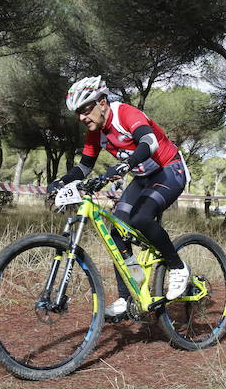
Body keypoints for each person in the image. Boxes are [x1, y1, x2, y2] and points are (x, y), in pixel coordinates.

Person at [47, 76, 190, 317]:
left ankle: (178, 267)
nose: (82, 118)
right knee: (117, 231)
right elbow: (84, 167)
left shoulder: (124, 114)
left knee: (141, 219)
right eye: (78, 113)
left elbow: (149, 141)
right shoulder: (95, 131)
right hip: (143, 176)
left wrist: (126, 164)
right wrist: (61, 181)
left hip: (169, 169)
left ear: (102, 102)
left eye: (85, 110)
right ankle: (126, 297)